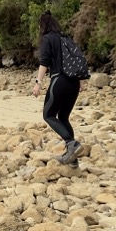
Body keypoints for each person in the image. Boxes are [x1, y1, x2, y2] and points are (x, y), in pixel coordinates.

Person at [31, 10, 82, 164]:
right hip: (73, 82)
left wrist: (38, 83)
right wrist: (81, 81)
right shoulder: (66, 38)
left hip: (60, 80)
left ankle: (71, 143)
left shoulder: (47, 39)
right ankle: (72, 157)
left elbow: (44, 62)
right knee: (64, 117)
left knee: (48, 115)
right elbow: (77, 60)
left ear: (42, 26)